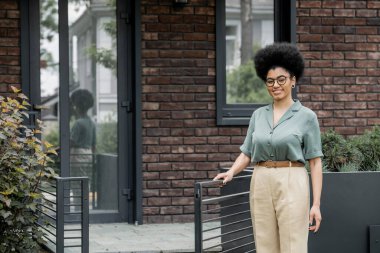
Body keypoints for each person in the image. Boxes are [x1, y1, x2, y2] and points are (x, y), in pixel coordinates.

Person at [214, 42, 323, 253]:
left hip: (292, 178)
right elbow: (246, 152)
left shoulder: (306, 117)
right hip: (261, 179)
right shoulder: (258, 115)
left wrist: (316, 204)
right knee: (264, 244)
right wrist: (230, 172)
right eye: (270, 81)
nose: (275, 85)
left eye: (281, 79)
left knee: (293, 245)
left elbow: (315, 161)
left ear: (293, 80)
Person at [70, 89, 96, 209]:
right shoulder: (91, 122)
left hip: (77, 156)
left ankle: (77, 210)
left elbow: (71, 142)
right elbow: (94, 144)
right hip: (89, 156)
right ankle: (84, 209)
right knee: (86, 185)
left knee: (76, 185)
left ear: (77, 106)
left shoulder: (78, 123)